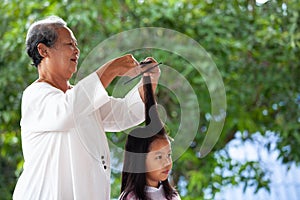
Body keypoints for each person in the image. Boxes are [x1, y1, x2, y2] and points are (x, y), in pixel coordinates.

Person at [13, 15, 160, 200]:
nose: (77, 50)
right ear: (43, 50)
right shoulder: (35, 95)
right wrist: (111, 69)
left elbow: (125, 114)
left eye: (76, 45)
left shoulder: (81, 98)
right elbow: (67, 112)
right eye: (69, 45)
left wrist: (149, 81)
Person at [118, 75, 181, 200]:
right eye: (159, 157)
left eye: (169, 155)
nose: (167, 162)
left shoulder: (172, 196)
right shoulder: (131, 198)